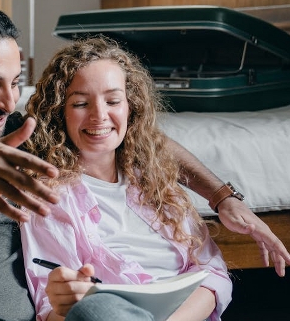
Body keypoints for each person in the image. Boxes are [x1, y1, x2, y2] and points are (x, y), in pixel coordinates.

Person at [0, 0, 290, 321]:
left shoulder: (21, 134)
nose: (7, 100)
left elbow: (134, 136)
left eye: (16, 82)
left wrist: (222, 195)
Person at [20, 36, 232, 321]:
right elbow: (51, 310)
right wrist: (69, 304)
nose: (99, 116)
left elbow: (213, 275)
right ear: (60, 112)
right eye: (81, 103)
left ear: (130, 107)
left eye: (113, 101)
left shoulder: (157, 182)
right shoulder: (48, 198)